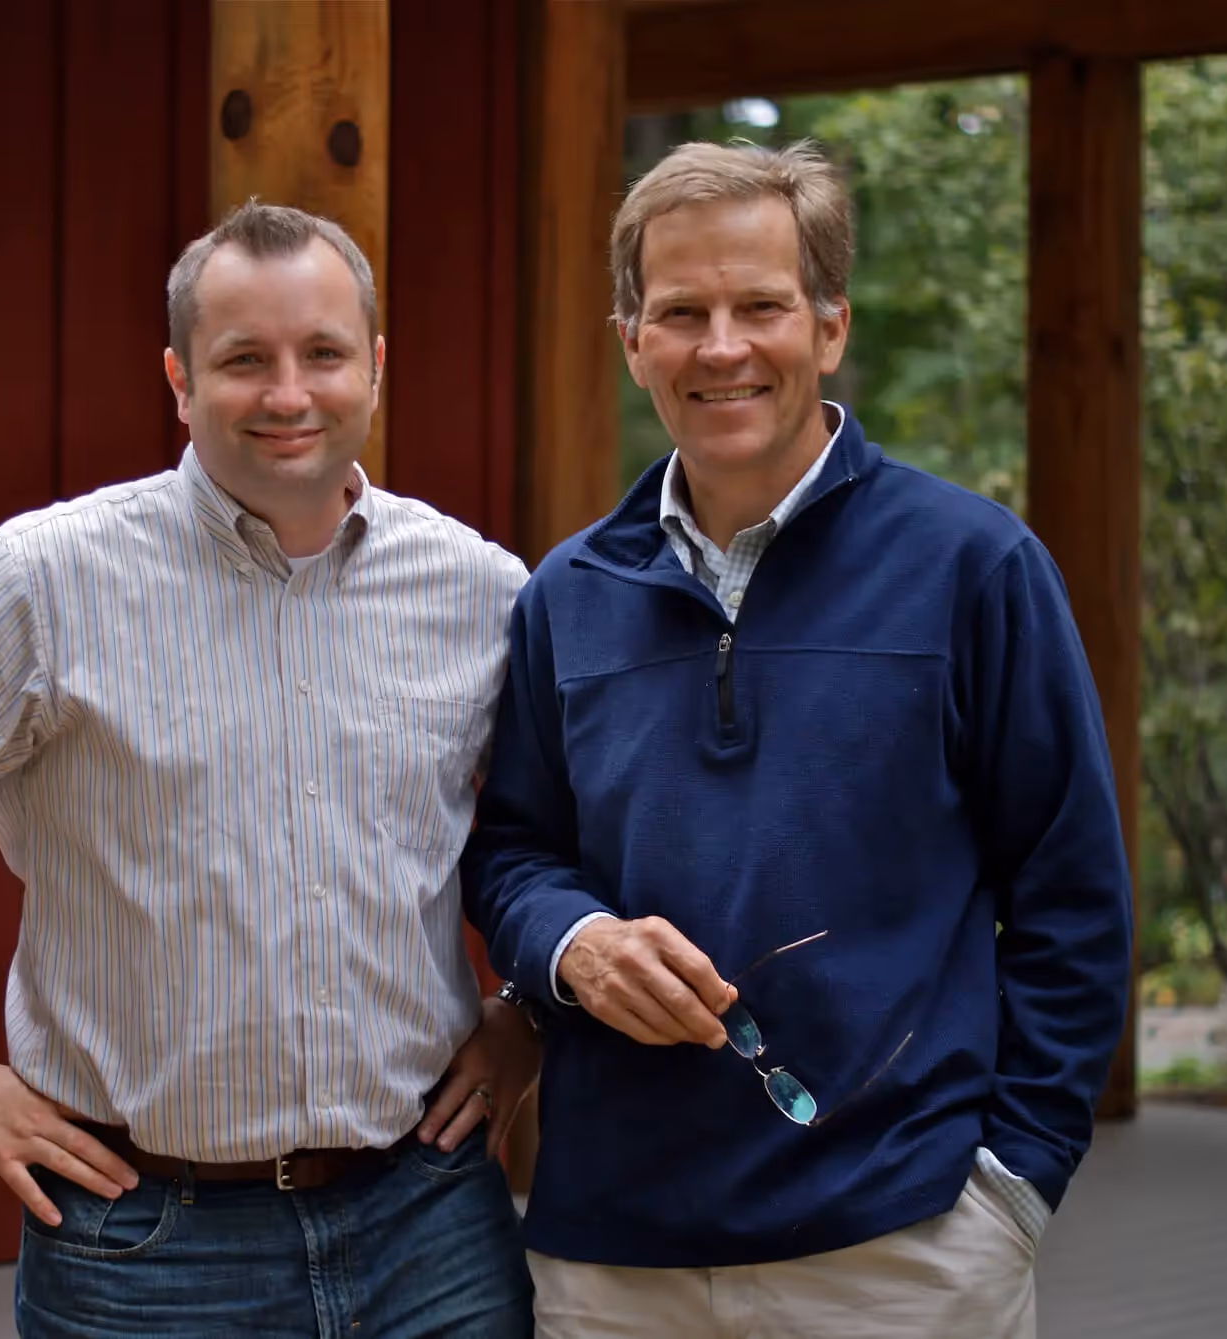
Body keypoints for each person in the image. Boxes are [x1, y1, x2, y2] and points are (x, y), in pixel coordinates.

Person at [0, 201, 536, 1338]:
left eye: (322, 353)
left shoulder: (479, 590)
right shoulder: (41, 582)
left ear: (373, 367)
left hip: (428, 1221)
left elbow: (558, 827)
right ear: (179, 380)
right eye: (243, 360)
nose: (288, 394)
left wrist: (527, 1014)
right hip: (146, 1249)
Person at [462, 140, 1132, 1339]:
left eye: (757, 305)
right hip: (615, 1261)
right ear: (632, 343)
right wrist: (571, 942)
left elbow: (1068, 893)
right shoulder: (565, 595)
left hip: (904, 1246)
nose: (720, 346)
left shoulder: (972, 569)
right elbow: (511, 848)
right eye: (679, 313)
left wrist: (1011, 1186)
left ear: (826, 326)